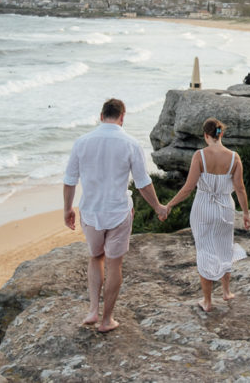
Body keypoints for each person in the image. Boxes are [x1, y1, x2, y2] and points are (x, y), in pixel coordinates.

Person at [63, 98, 167, 332]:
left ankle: (92, 310)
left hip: (90, 212)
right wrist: (158, 207)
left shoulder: (82, 142)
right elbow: (143, 183)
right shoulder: (130, 143)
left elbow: (70, 180)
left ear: (101, 116)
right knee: (114, 264)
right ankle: (107, 320)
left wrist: (67, 209)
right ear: (122, 117)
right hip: (118, 212)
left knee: (95, 258)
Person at [165, 117, 250, 312]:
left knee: (204, 251)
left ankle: (207, 301)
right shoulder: (234, 157)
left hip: (203, 207)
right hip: (225, 208)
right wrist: (246, 213)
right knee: (224, 247)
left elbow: (188, 188)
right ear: (221, 134)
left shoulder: (200, 156)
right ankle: (227, 292)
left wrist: (169, 205)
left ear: (206, 135)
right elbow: (240, 188)